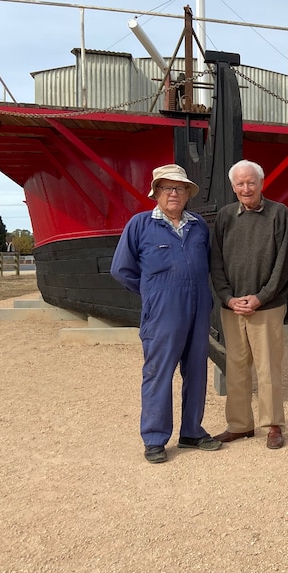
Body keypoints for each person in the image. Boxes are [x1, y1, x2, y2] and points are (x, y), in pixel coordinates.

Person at [110, 164, 221, 464]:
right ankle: (155, 438)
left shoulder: (198, 226)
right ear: (156, 192)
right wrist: (152, 293)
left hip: (198, 310)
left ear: (187, 194)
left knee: (197, 371)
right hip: (162, 313)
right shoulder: (140, 225)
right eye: (167, 188)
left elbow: (211, 265)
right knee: (158, 373)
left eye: (180, 188)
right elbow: (121, 269)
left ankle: (192, 432)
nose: (174, 193)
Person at [210, 160, 288, 449]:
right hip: (232, 306)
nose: (246, 188)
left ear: (261, 183)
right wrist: (227, 297)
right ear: (233, 187)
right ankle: (239, 424)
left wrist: (261, 296)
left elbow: (283, 263)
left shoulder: (278, 214)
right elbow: (216, 261)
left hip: (267, 307)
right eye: (240, 184)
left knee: (268, 367)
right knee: (235, 367)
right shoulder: (224, 217)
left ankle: (273, 425)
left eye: (251, 182)